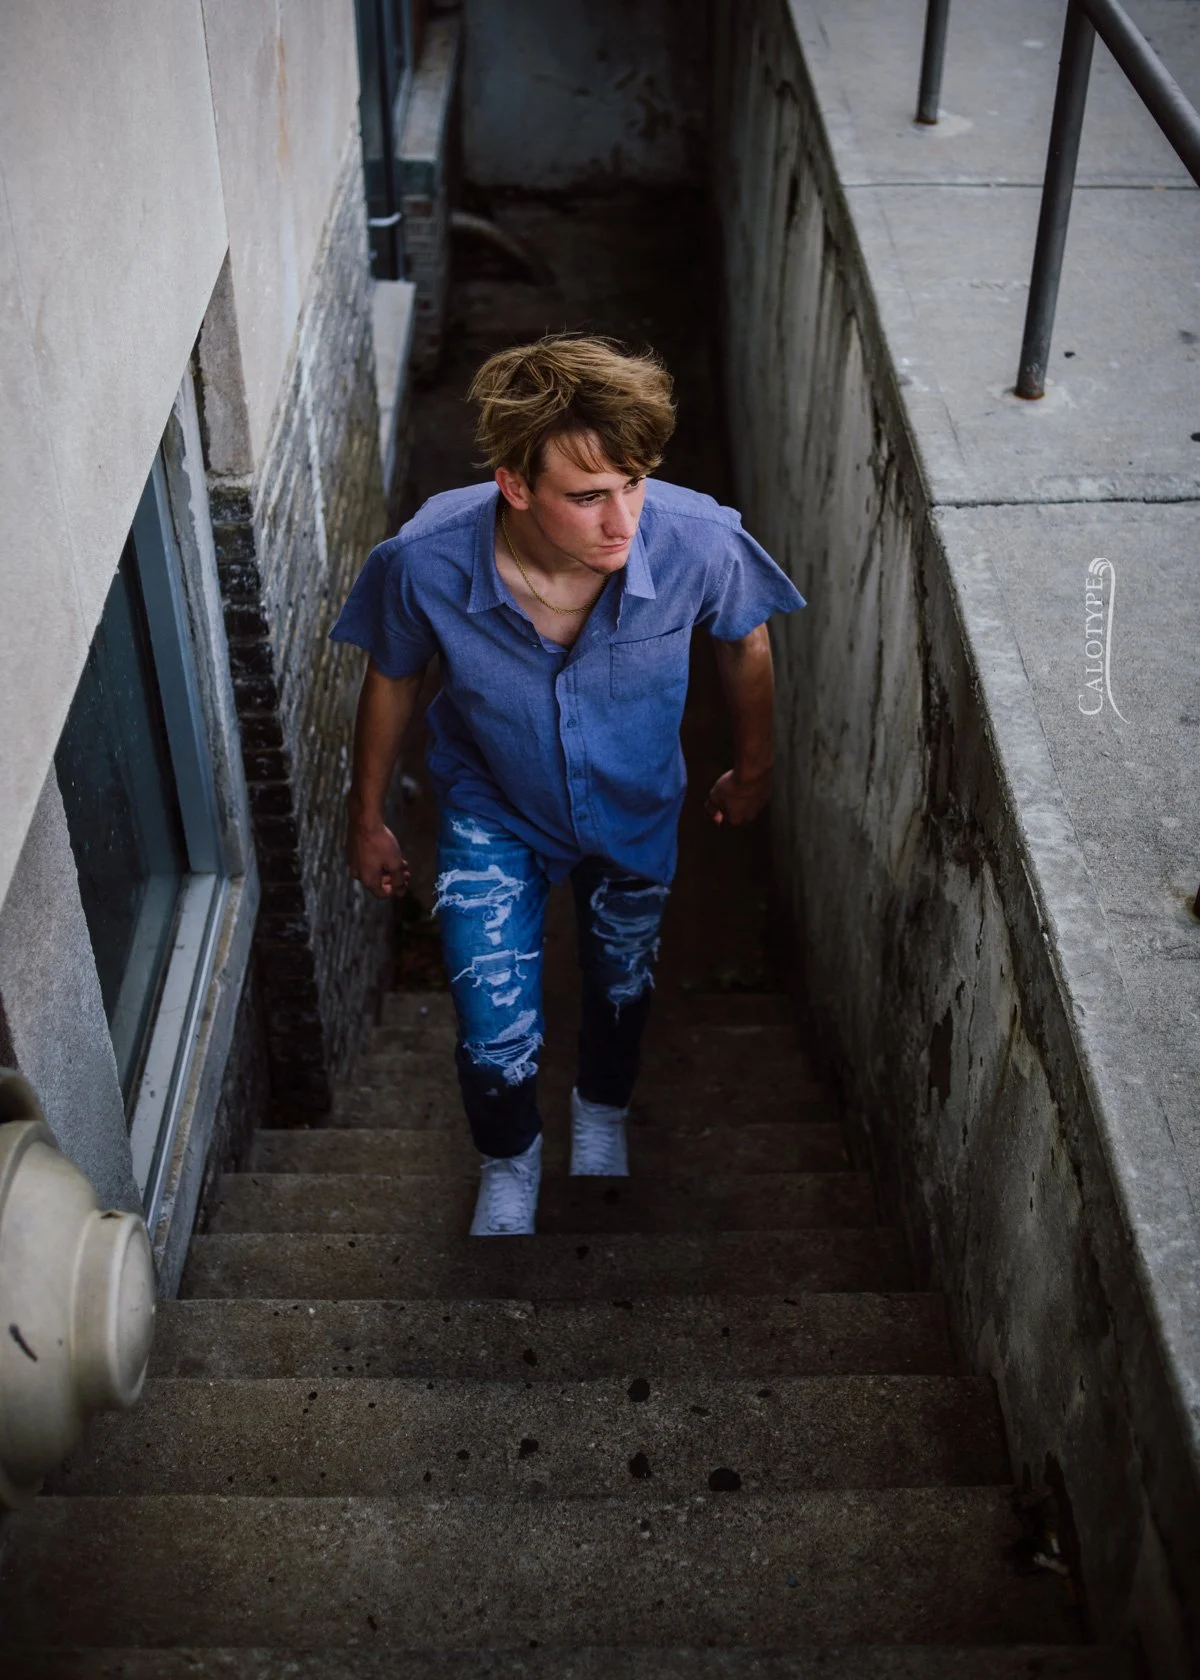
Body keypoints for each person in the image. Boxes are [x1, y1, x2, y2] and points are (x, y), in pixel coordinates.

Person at [331, 335, 804, 1236]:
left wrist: (756, 767)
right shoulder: (426, 558)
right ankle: (510, 1159)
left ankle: (602, 1111)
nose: (624, 520)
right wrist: (368, 816)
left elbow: (745, 637)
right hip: (492, 808)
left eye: (634, 483)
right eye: (588, 497)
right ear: (515, 485)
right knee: (490, 1024)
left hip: (635, 807)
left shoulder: (699, 538)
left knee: (621, 980)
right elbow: (391, 674)